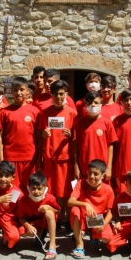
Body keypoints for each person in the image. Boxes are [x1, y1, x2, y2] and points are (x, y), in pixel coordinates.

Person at [37, 80, 77, 220]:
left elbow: (77, 138)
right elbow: (40, 135)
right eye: (56, 94)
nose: (59, 97)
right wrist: (44, 135)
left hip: (65, 157)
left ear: (66, 94)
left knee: (65, 190)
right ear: (51, 95)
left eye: (61, 94)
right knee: (51, 189)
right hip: (49, 157)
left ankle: (65, 217)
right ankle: (54, 217)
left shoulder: (72, 113)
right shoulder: (45, 113)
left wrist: (71, 135)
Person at [0, 77, 40, 188]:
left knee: (29, 187)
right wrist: (1, 160)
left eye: (21, 89)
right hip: (10, 157)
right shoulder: (5, 112)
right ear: (11, 92)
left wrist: (39, 158)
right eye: (15, 90)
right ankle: (14, 206)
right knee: (13, 189)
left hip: (30, 157)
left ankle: (27, 206)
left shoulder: (35, 111)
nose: (18, 93)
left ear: (27, 91)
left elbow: (39, 137)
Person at [68, 159, 115, 259]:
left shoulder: (108, 189)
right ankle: (80, 245)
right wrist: (85, 204)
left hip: (98, 220)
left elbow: (111, 213)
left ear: (103, 175)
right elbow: (70, 202)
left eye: (96, 174)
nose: (92, 176)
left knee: (106, 238)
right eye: (90, 173)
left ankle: (94, 235)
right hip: (83, 219)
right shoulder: (81, 183)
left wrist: (103, 225)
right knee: (74, 210)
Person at [73, 90, 118, 180]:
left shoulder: (107, 123)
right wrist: (76, 166)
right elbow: (75, 146)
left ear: (101, 104)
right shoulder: (79, 123)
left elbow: (111, 146)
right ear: (85, 105)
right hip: (85, 167)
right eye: (89, 102)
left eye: (96, 102)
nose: (93, 105)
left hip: (102, 167)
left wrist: (109, 167)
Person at [17, 171, 61, 260]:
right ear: (28, 188)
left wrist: (49, 207)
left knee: (49, 213)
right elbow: (21, 217)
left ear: (44, 188)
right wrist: (28, 226)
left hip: (46, 221)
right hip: (33, 223)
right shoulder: (23, 199)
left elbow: (58, 211)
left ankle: (52, 245)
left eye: (39, 189)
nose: (36, 192)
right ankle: (40, 233)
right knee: (22, 232)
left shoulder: (50, 198)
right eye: (33, 188)